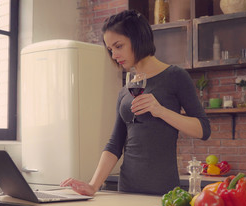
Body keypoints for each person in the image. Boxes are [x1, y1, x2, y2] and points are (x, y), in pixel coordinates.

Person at [61, 9, 210, 195]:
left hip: (163, 192)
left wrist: (160, 110)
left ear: (138, 38)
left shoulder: (176, 76)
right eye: (110, 49)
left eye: (118, 46)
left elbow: (203, 129)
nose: (114, 55)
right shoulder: (126, 90)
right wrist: (93, 185)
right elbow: (115, 144)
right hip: (127, 190)